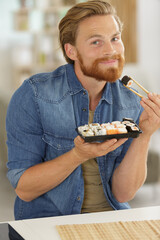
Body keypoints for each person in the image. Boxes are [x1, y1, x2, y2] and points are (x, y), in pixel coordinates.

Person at [6, 0, 160, 220]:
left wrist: (144, 134)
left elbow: (123, 193)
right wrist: (77, 155)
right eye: (96, 42)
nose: (111, 50)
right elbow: (24, 189)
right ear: (72, 51)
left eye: (115, 38)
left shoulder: (130, 99)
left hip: (112, 219)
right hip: (49, 222)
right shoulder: (34, 95)